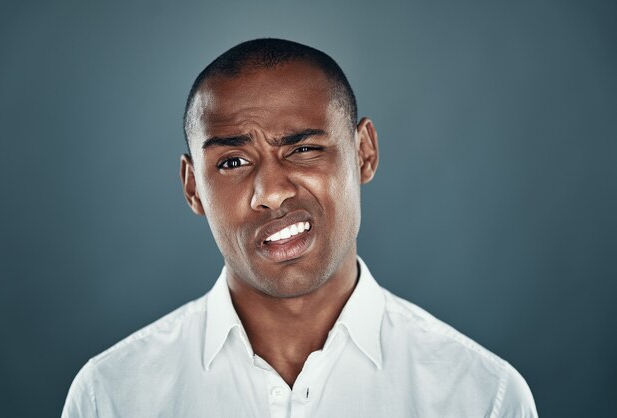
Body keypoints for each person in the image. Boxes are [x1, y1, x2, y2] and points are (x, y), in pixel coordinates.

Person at [62, 38, 538, 417]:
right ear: (192, 189)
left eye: (304, 149)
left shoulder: (482, 399)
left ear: (364, 152)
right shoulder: (111, 397)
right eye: (232, 161)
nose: (271, 191)